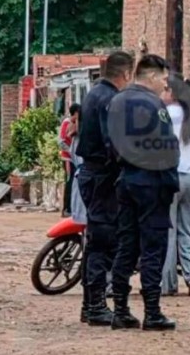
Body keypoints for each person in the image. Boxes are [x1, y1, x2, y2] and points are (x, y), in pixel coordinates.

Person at [106, 54, 180, 331]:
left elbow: (108, 144)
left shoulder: (116, 101)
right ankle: (152, 311)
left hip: (126, 179)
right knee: (153, 247)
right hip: (152, 181)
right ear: (151, 76)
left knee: (126, 245)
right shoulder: (153, 103)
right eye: (163, 78)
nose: (165, 84)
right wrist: (169, 180)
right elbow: (168, 147)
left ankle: (120, 310)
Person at [75, 51, 135, 326]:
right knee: (103, 240)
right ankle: (96, 305)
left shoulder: (94, 94)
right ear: (126, 74)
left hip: (92, 172)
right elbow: (113, 142)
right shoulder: (111, 99)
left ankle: (90, 304)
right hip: (103, 176)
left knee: (95, 241)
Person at [160, 74, 190, 297]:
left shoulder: (164, 115)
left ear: (172, 92)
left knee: (167, 232)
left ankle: (167, 283)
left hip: (170, 178)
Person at [59, 103, 81, 217]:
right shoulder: (67, 122)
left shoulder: (75, 123)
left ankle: (71, 208)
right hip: (68, 158)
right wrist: (71, 152)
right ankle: (66, 208)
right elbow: (61, 141)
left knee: (73, 182)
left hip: (74, 159)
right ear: (76, 113)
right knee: (70, 181)